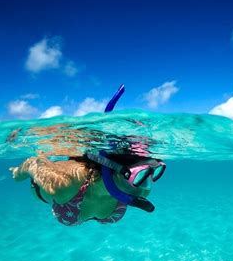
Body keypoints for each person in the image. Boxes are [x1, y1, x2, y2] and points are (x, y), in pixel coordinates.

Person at [9, 85, 166, 226]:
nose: (147, 189)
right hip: (44, 184)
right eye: (141, 175)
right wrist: (17, 173)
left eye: (155, 172)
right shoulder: (64, 186)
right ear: (113, 169)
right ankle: (47, 156)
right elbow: (32, 163)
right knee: (40, 160)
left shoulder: (126, 191)